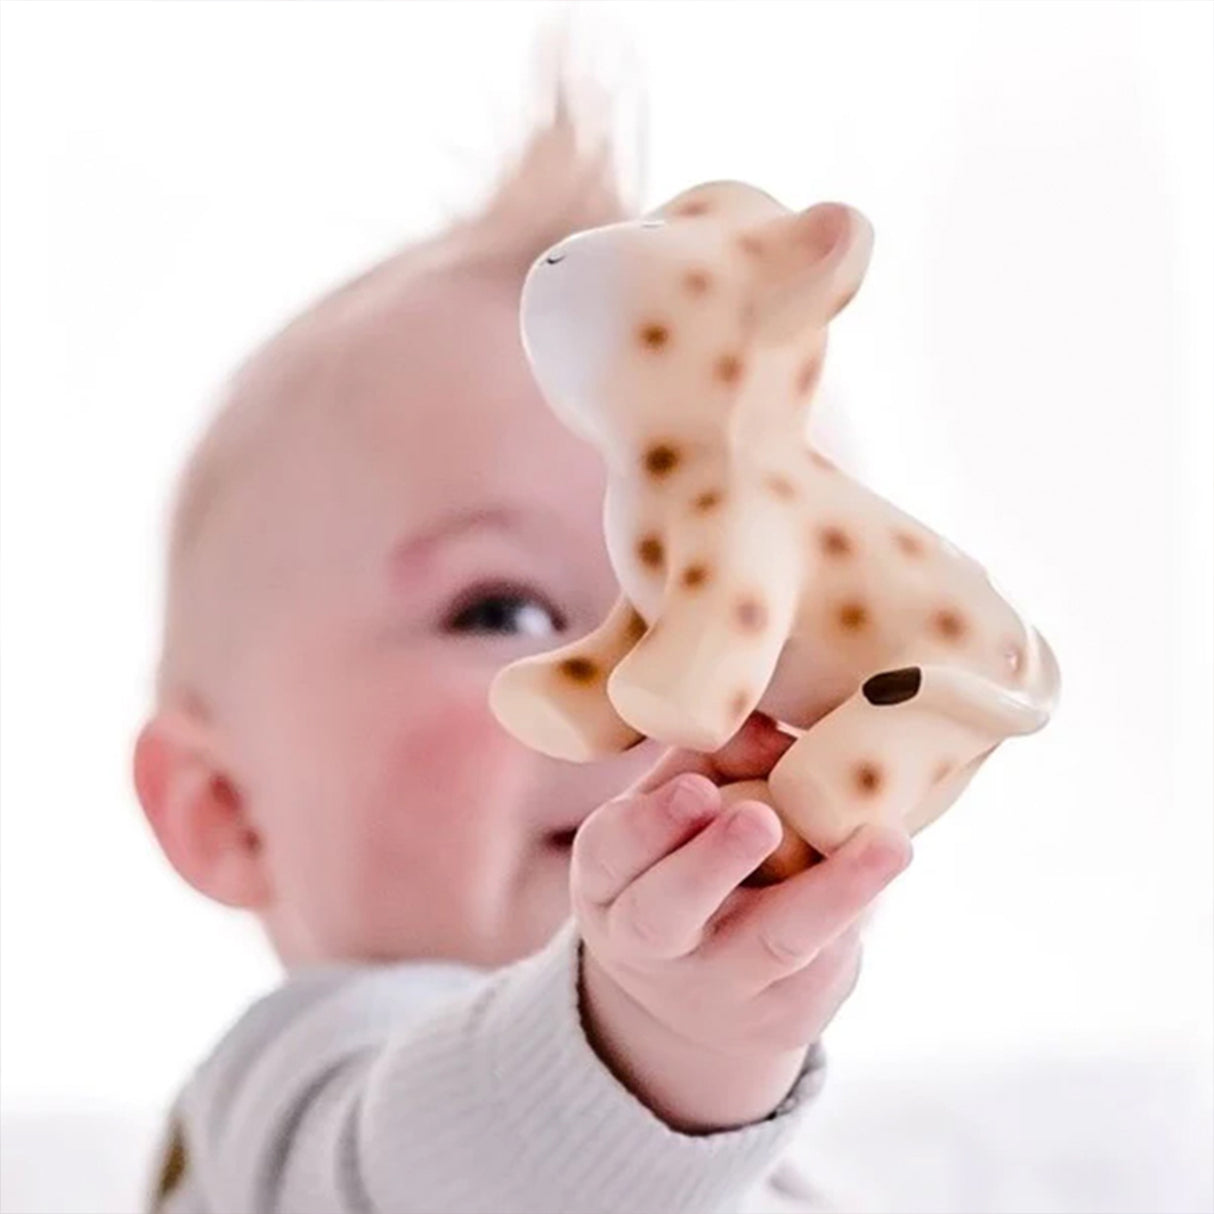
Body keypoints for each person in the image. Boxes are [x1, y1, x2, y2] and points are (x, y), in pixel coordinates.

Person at [133, 68, 911, 1214]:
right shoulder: (290, 1101)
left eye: (752, 619)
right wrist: (647, 1033)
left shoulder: (761, 1138)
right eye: (506, 611)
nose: (663, 693)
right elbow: (453, 1169)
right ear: (225, 806)